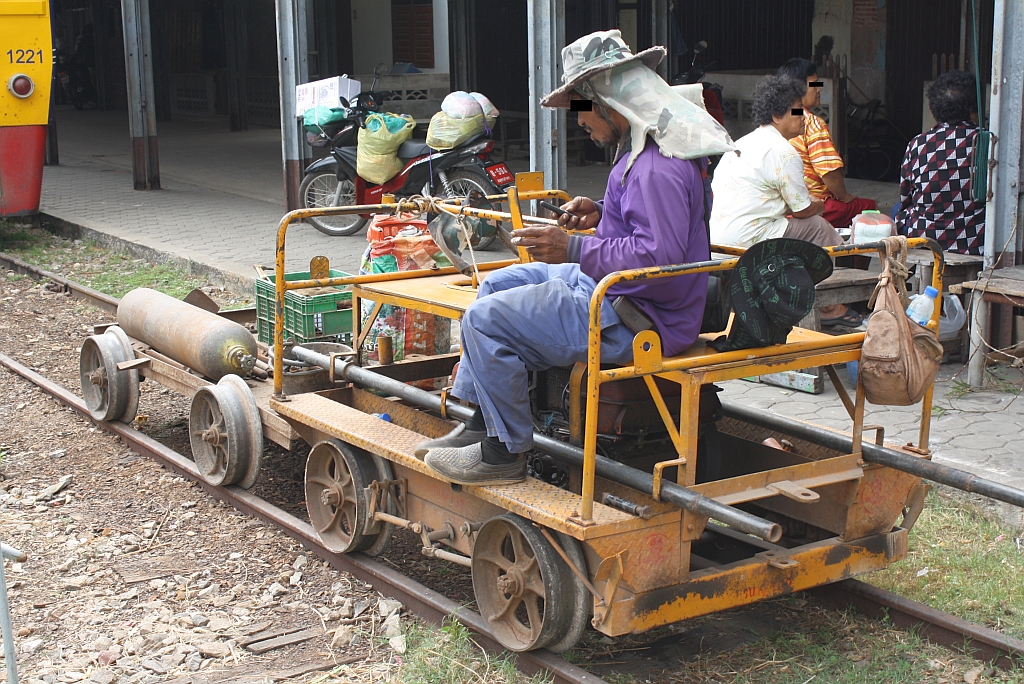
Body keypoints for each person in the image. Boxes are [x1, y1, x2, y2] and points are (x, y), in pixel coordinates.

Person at [417, 29, 735, 486]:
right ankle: (484, 422)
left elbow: (658, 261)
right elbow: (651, 223)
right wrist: (602, 213)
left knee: (485, 322)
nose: (581, 121)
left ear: (609, 102)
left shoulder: (656, 167)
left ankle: (504, 455)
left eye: (583, 108)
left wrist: (572, 247)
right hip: (621, 292)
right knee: (496, 285)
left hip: (640, 315)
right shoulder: (641, 147)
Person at [710, 75, 861, 327]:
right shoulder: (783, 151)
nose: (804, 117)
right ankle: (828, 305)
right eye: (797, 111)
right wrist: (820, 204)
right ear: (776, 116)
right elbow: (802, 210)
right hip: (750, 238)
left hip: (718, 239)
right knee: (818, 226)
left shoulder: (741, 143)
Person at [777, 58, 877, 228]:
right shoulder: (812, 123)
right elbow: (829, 173)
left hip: (782, 205)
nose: (819, 89)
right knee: (871, 208)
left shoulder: (775, 120)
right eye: (814, 84)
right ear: (797, 88)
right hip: (813, 204)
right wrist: (844, 197)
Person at [897, 70, 985, 254]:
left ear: (934, 109)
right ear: (974, 108)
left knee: (897, 210)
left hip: (926, 239)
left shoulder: (918, 144)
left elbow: (906, 198)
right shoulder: (986, 142)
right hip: (977, 241)